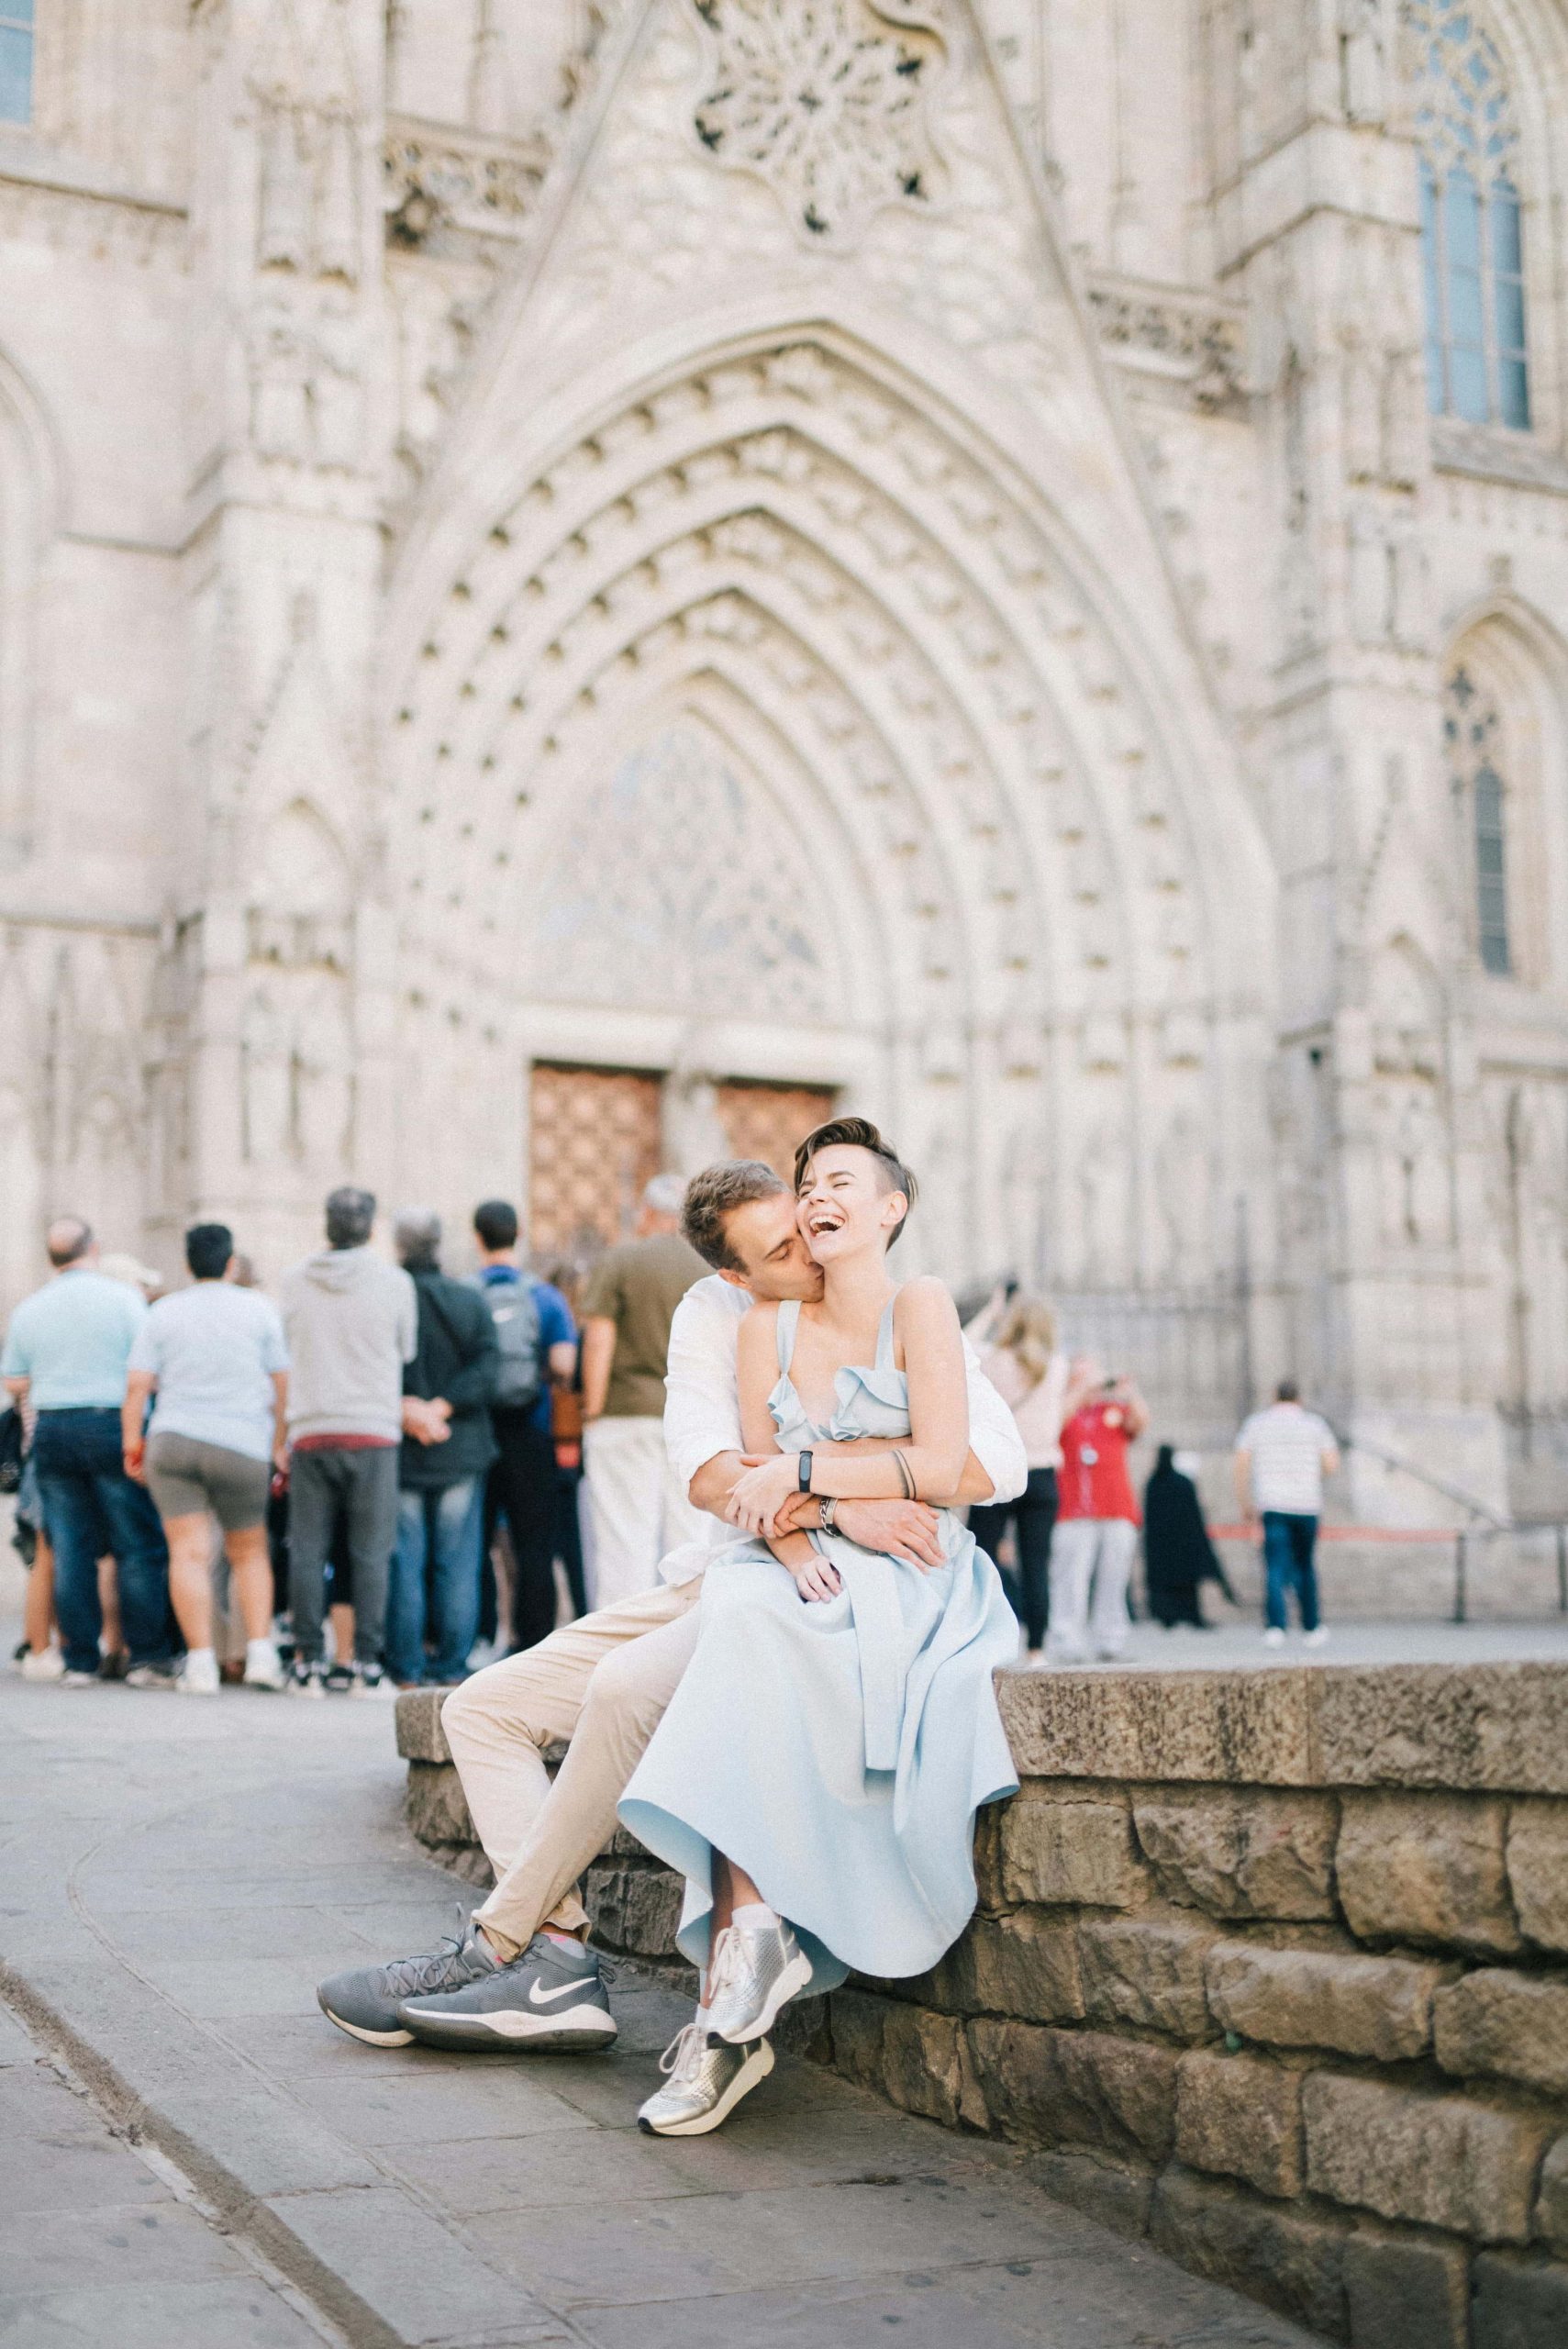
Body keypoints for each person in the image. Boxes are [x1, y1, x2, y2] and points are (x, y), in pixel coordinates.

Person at [314, 1152, 1025, 2126]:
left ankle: (504, 1948)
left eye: (809, 1221)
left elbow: (992, 1462)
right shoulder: (719, 1315)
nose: (807, 1248)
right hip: (722, 1567)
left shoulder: (898, 1305)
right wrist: (832, 1505)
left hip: (786, 1588)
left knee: (626, 1689)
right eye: (780, 1248)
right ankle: (556, 1955)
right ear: (735, 1273)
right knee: (480, 1709)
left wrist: (825, 1492)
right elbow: (707, 1469)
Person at [617, 1119, 1019, 2136]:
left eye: (840, 1180)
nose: (816, 1197)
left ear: (890, 1209)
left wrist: (804, 1472)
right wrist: (810, 1535)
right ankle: (751, 1931)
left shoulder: (921, 1305)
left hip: (917, 1572)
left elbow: (943, 1466)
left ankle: (736, 1981)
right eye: (807, 1185)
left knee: (752, 1628)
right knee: (745, 1609)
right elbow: (755, 1497)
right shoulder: (763, 1327)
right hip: (799, 1559)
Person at [0, 1218, 174, 1687]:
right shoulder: (124, 1300)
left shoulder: (31, 1307)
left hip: (54, 1427)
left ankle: (79, 1660)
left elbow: (13, 1380)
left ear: (51, 1257)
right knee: (135, 1544)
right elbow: (148, 1369)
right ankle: (146, 1657)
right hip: (112, 1423)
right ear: (93, 1248)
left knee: (70, 1548)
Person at [121, 1222, 290, 1695]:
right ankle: (260, 1654)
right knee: (249, 1551)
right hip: (241, 1442)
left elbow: (137, 1387)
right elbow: (282, 1384)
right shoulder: (259, 1309)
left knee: (188, 1553)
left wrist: (133, 1444)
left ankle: (199, 1664)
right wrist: (278, 1442)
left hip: (174, 1440)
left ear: (187, 1264)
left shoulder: (164, 1311)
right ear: (231, 1263)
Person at [280, 1187, 417, 1696]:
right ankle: (366, 1665)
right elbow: (406, 1350)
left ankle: (308, 1664)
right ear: (371, 1227)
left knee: (307, 1551)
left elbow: (285, 1345)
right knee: (371, 1552)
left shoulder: (293, 1280)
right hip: (372, 1429)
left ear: (327, 1225)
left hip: (311, 1427)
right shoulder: (395, 1282)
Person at [578, 1174, 708, 1607]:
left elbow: (599, 1336)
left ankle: (623, 1639)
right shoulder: (707, 1267)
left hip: (625, 1415)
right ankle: (688, 1632)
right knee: (690, 1539)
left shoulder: (621, 1260)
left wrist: (593, 1408)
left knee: (624, 1539)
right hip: (692, 1421)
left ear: (648, 1212)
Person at [386, 1209, 499, 1688]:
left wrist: (409, 1409)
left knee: (406, 1561)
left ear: (398, 1246)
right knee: (458, 1562)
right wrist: (443, 1407)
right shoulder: (468, 1299)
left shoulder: (388, 1299)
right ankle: (452, 1664)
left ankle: (407, 1667)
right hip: (460, 1447)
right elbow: (488, 1364)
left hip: (402, 1448)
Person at [471, 1200, 578, 1654]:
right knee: (534, 1540)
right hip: (532, 1430)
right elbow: (564, 1363)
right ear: (518, 1235)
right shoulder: (545, 1297)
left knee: (475, 1541)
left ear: (478, 1238)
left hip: (478, 1430)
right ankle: (533, 1642)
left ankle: (477, 1638)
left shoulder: (467, 1294)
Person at [965, 1290, 1081, 1661]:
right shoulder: (1058, 1366)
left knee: (982, 1559)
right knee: (1036, 1565)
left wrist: (991, 1312)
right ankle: (1036, 1650)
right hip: (1042, 1475)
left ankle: (985, 1639)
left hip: (997, 1471)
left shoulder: (994, 1360)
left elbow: (960, 1344)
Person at [1046, 1360, 1150, 1664]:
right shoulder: (1063, 1410)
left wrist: (1128, 1391)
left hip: (1115, 1507)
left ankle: (1110, 1639)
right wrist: (1081, 1390)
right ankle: (1067, 1640)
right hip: (1073, 1509)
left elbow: (1141, 1422)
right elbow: (1053, 1424)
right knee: (1070, 1579)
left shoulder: (1112, 1412)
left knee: (1114, 1577)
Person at [1234, 1379, 1340, 1648]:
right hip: (1306, 1503)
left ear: (1274, 1396)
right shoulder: (1315, 1424)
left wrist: (1245, 1502)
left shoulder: (1257, 1423)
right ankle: (1311, 1626)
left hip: (1272, 1503)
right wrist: (1309, 1476)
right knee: (1305, 1565)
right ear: (1299, 1398)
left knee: (1275, 1566)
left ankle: (1276, 1626)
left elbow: (1242, 1463)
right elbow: (1331, 1463)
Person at [1142, 1444, 1234, 1629]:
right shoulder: (1182, 1483)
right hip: (1183, 1545)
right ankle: (1186, 1616)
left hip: (1162, 1546)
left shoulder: (1154, 1483)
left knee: (1167, 1584)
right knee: (1184, 1584)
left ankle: (1168, 1616)